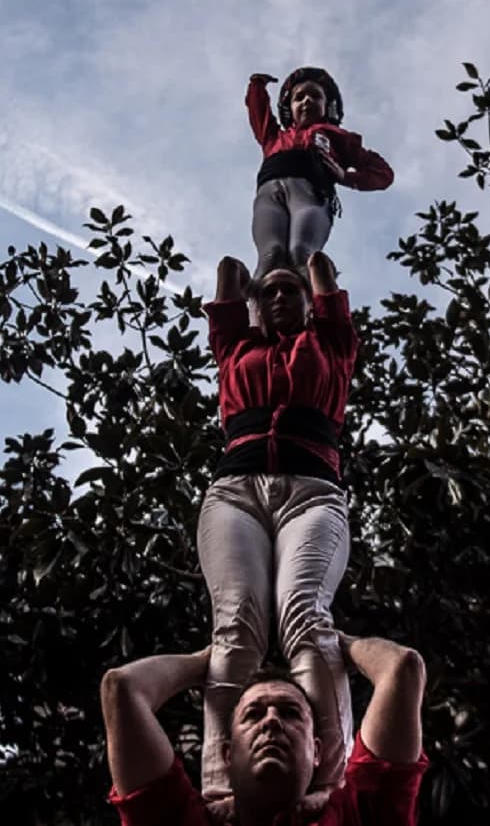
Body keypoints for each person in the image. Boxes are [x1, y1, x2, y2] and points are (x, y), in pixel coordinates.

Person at [198, 250, 356, 806]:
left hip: (311, 491)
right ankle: (221, 787)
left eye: (291, 292)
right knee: (236, 625)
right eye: (271, 293)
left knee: (306, 615)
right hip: (236, 491)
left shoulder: (331, 343)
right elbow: (226, 274)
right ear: (256, 306)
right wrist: (253, 283)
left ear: (310, 305)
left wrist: (299, 259)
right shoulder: (237, 347)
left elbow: (323, 275)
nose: (281, 298)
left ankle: (330, 786)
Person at [101, 634, 428, 825]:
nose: (271, 721)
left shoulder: (356, 815)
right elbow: (121, 689)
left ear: (317, 751)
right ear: (226, 753)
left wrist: (330, 639)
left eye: (289, 713)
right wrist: (205, 661)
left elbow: (403, 668)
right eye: (253, 714)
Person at [247, 68, 394, 278]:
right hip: (269, 191)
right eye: (299, 97)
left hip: (310, 193)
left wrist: (345, 177)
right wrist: (257, 86)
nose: (307, 101)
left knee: (302, 253)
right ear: (289, 108)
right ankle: (256, 308)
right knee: (270, 256)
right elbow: (258, 113)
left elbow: (383, 173)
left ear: (328, 106)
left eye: (315, 96)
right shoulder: (273, 137)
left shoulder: (338, 137)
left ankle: (315, 304)